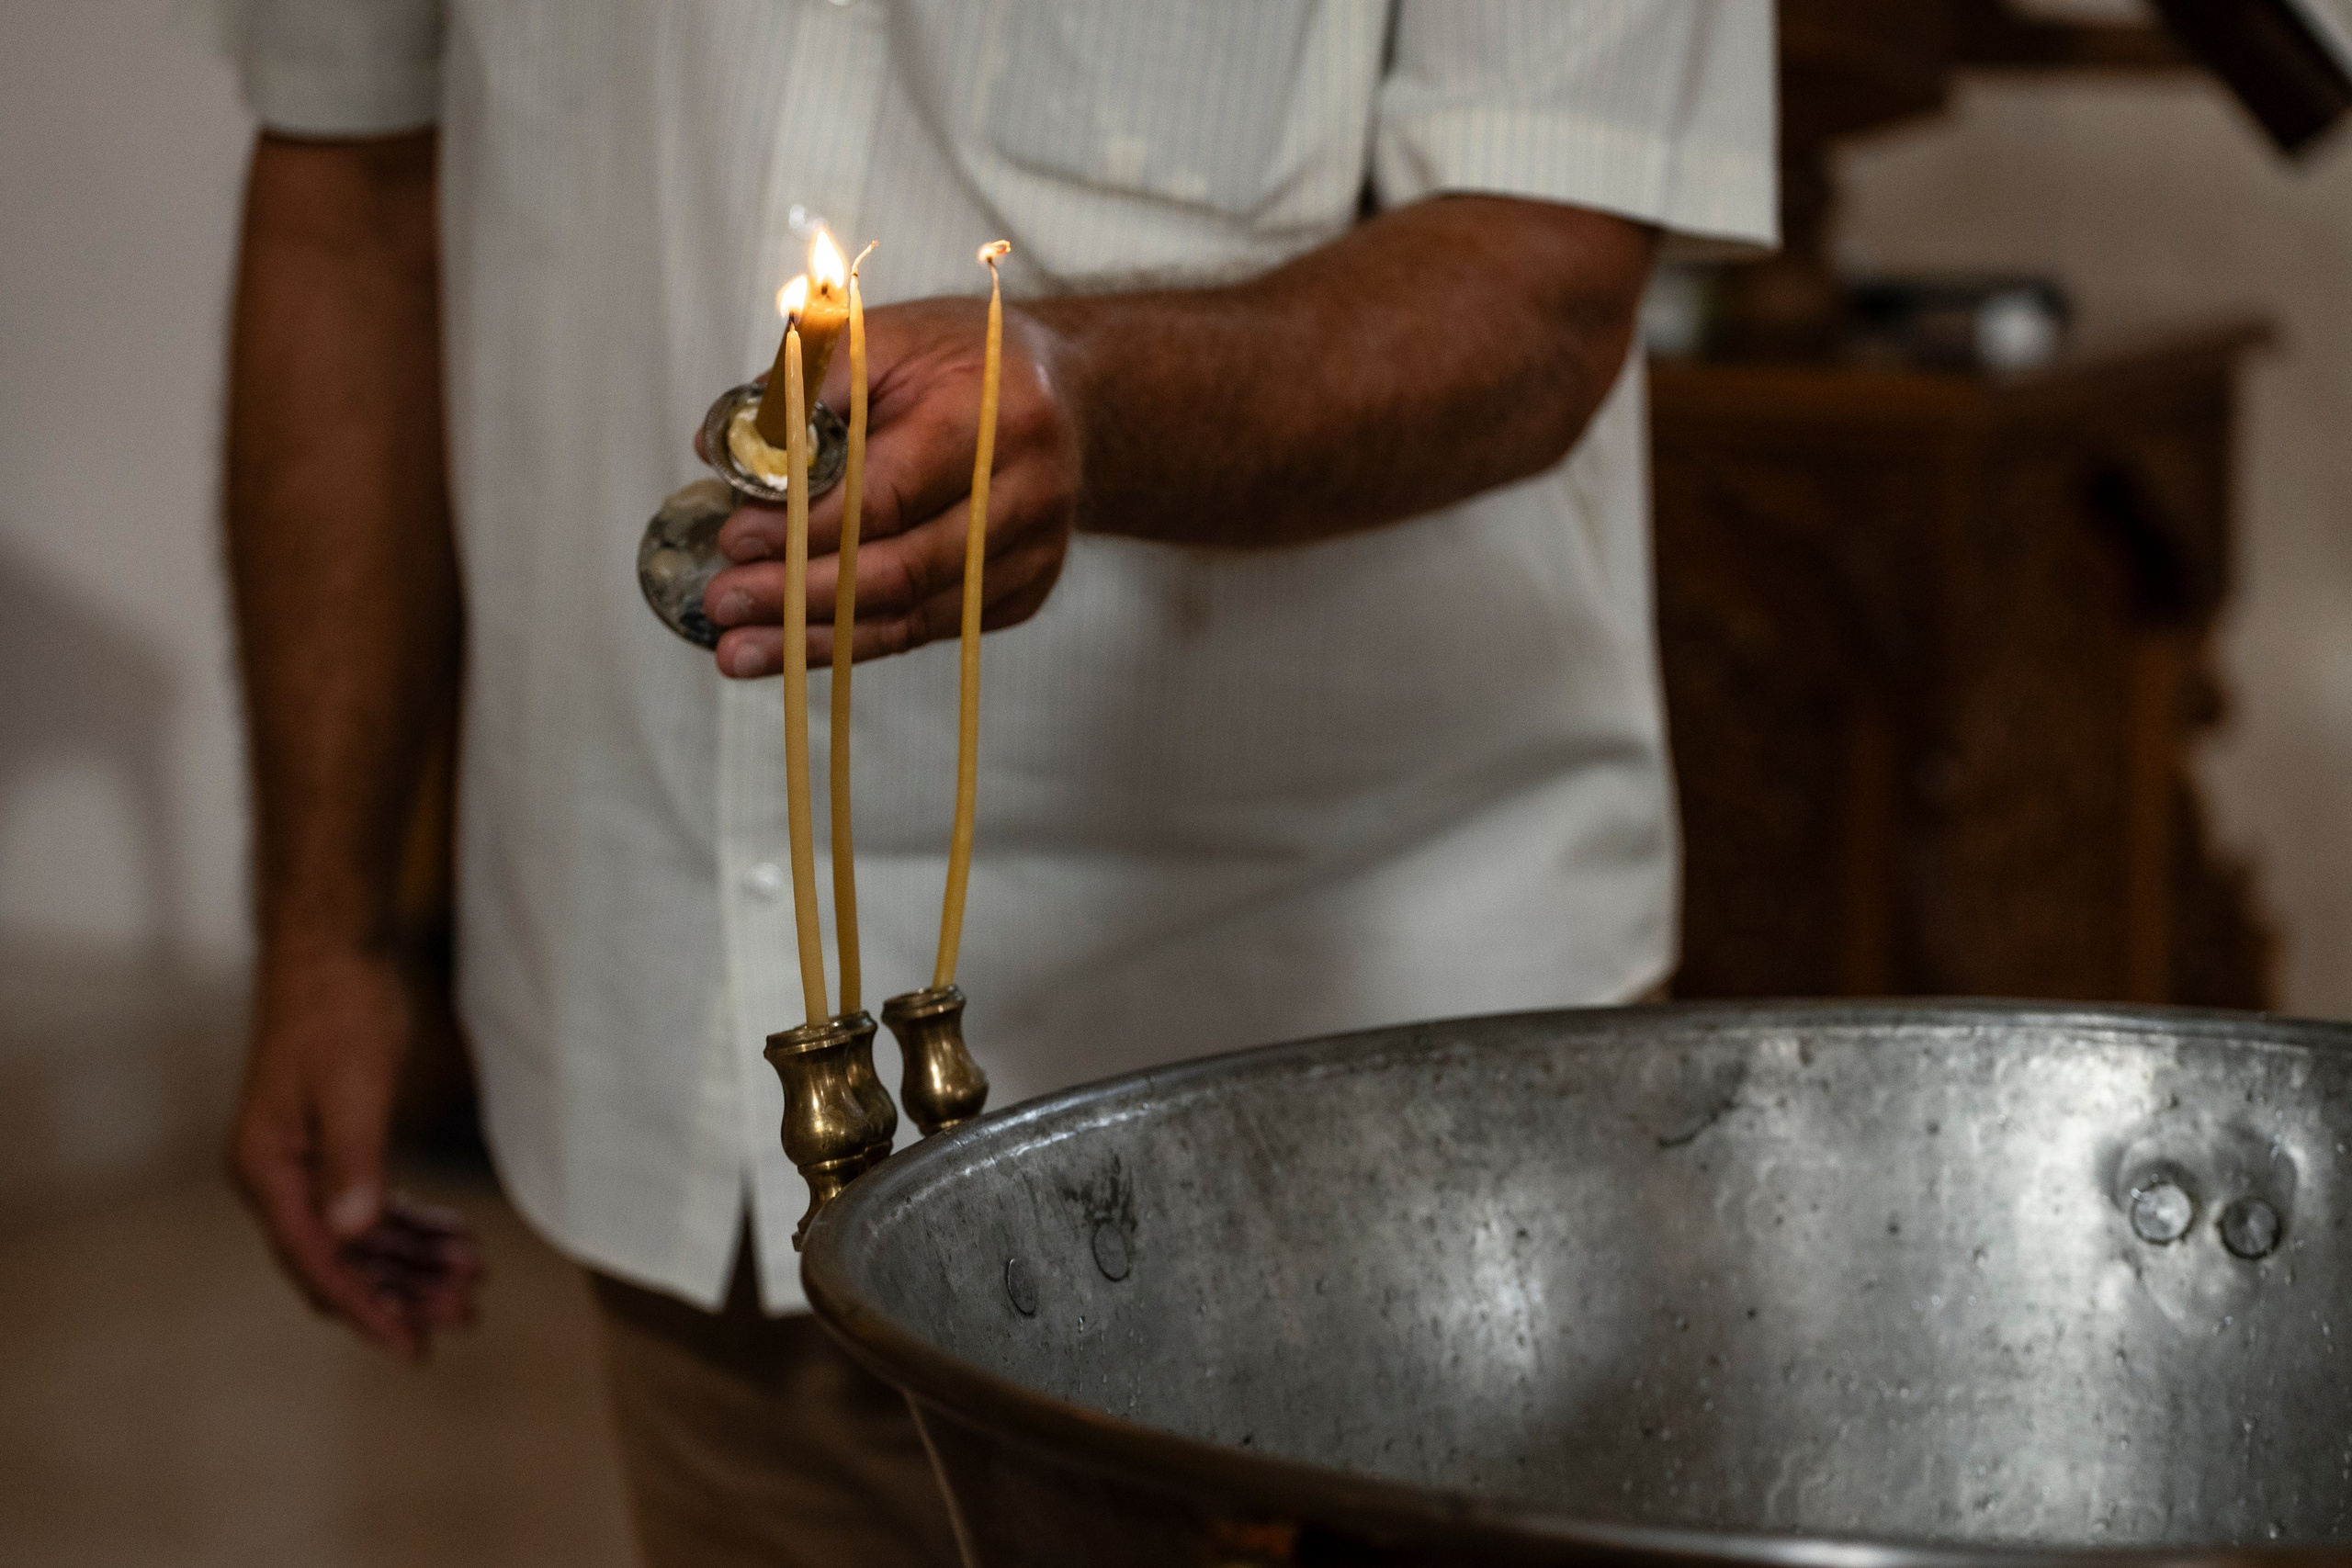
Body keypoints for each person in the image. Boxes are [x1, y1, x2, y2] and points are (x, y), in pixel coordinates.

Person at [212, 4, 1775, 1564]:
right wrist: (323, 923)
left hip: (1360, 1095)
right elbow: (352, 191)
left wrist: (1087, 396)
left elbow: (1541, 279)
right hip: (699, 1085)